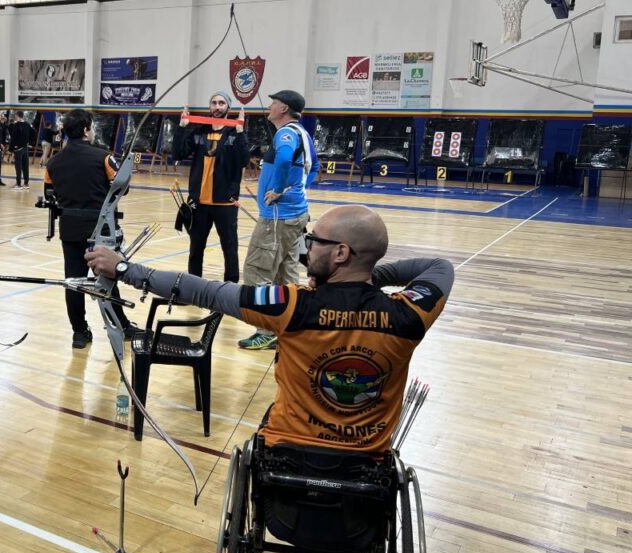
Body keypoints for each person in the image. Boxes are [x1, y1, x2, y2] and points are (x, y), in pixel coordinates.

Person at [86, 204, 454, 455]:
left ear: (341, 253)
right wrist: (364, 279)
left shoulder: (291, 304)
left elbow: (205, 291)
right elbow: (440, 267)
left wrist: (125, 270)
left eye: (315, 242)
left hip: (289, 453)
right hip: (366, 465)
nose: (307, 249)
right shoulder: (410, 313)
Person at [43, 109, 137, 349]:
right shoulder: (103, 157)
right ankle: (123, 327)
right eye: (91, 127)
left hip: (70, 229)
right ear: (86, 130)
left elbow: (49, 194)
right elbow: (123, 189)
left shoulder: (53, 162)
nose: (93, 131)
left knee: (73, 281)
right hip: (100, 230)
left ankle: (79, 332)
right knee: (107, 279)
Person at [239, 90, 318, 350]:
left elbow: (284, 159)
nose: (270, 106)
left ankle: (266, 330)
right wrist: (297, 189)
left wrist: (279, 189)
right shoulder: (303, 133)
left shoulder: (285, 134)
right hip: (293, 215)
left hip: (277, 217)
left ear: (283, 109)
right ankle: (290, 326)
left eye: (274, 103)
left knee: (257, 272)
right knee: (286, 272)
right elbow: (315, 167)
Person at [171, 91, 248, 283]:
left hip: (225, 202)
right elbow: (178, 154)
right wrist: (181, 128)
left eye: (222, 103)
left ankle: (230, 287)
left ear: (228, 107)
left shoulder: (234, 132)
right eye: (214, 103)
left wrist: (240, 132)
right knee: (195, 248)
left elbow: (244, 160)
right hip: (199, 202)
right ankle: (193, 285)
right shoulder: (200, 130)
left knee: (229, 248)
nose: (217, 107)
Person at [8, 111, 36, 190]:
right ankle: (26, 183)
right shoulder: (27, 124)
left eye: (15, 116)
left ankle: (18, 184)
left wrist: (10, 149)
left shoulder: (16, 125)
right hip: (25, 148)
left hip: (18, 149)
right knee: (25, 166)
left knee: (18, 167)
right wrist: (30, 142)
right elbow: (34, 133)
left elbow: (13, 138)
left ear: (17, 116)